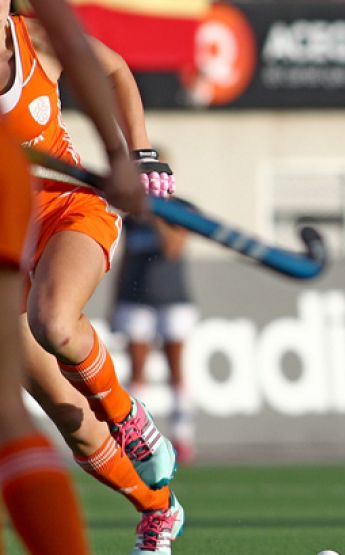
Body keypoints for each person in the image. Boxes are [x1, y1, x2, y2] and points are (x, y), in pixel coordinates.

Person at [1, 1, 184, 553]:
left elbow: (112, 69)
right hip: (7, 235)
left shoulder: (35, 36)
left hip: (67, 212)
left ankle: (128, 416)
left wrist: (136, 153)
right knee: (68, 417)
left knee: (53, 321)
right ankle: (158, 510)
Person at [113, 195, 199, 463]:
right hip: (136, 300)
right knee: (137, 371)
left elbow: (173, 247)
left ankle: (182, 436)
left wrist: (156, 216)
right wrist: (115, 302)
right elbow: (125, 261)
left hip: (172, 299)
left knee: (176, 370)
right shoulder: (132, 218)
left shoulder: (181, 210)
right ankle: (138, 437)